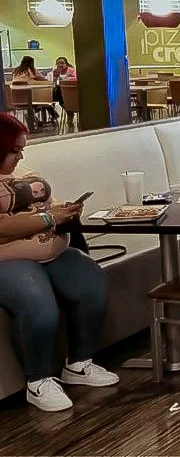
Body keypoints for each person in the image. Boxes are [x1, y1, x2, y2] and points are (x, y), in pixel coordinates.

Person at [0, 114, 116, 413]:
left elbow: (47, 205)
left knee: (91, 282)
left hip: (53, 252)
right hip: (8, 260)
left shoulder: (25, 173)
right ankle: (38, 381)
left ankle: (79, 363)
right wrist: (48, 219)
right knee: (38, 304)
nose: (20, 156)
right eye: (15, 150)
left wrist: (65, 210)